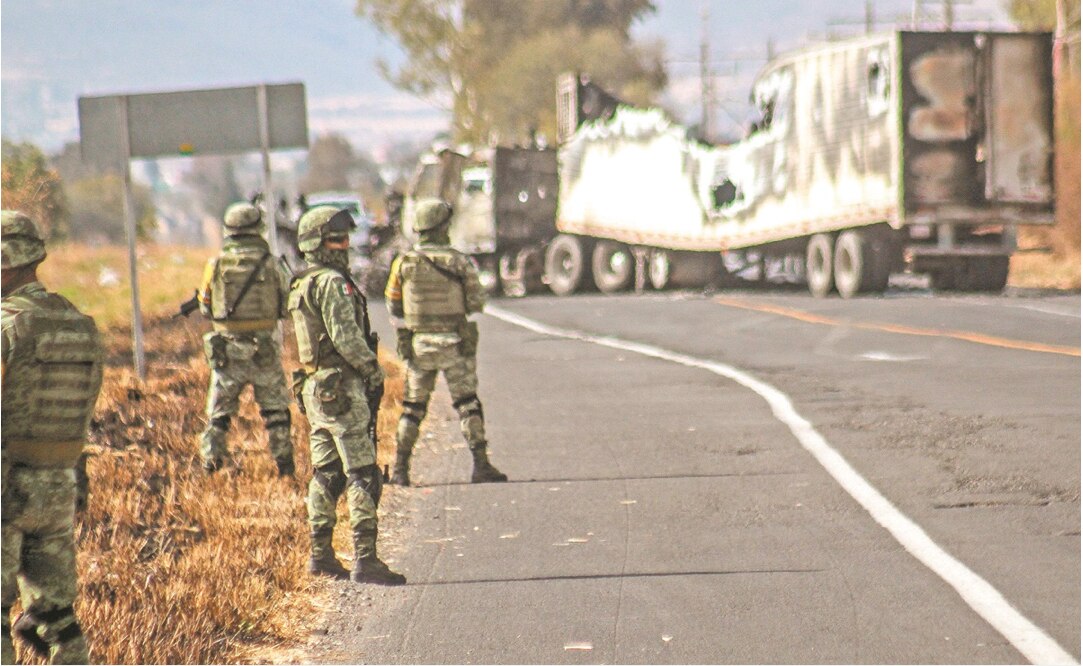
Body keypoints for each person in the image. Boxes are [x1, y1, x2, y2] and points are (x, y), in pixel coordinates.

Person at [2, 210, 103, 664]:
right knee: (59, 619)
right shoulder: (79, 324)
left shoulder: (7, 326)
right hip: (59, 486)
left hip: (6, 489)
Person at [288, 206, 405, 585]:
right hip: (342, 385)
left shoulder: (301, 282)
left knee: (326, 473)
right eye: (336, 239)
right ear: (316, 244)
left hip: (316, 388)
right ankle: (365, 559)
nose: (344, 246)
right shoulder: (332, 283)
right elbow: (345, 336)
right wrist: (372, 370)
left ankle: (320, 554)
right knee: (363, 474)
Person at [384, 198, 507, 486]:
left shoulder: (404, 263)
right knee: (468, 404)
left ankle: (401, 469)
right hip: (455, 343)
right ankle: (480, 464)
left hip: (419, 344)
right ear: (442, 227)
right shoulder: (459, 262)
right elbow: (477, 302)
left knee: (413, 409)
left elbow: (393, 305)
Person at [197, 202, 295, 475]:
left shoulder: (214, 265)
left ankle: (211, 464)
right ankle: (284, 466)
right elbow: (288, 304)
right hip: (264, 349)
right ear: (258, 229)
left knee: (219, 415)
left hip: (228, 351)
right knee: (276, 413)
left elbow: (205, 306)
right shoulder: (273, 264)